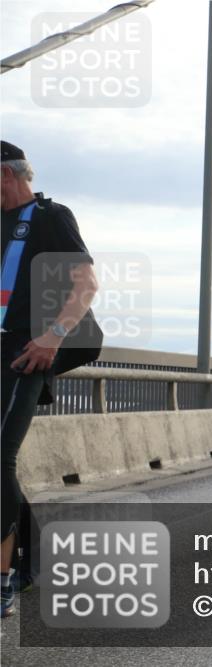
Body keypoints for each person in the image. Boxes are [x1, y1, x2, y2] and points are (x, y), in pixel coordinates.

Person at [2, 141, 99, 617]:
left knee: (0, 455)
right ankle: (35, 555)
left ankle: (5, 577)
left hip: (27, 352)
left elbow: (86, 284)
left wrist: (52, 338)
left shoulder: (50, 217)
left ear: (6, 174)